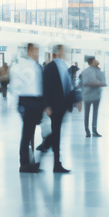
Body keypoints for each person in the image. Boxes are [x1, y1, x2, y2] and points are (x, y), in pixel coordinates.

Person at [37, 45, 78, 173]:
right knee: (56, 133)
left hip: (62, 105)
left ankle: (48, 150)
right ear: (58, 52)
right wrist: (46, 105)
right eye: (64, 50)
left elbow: (67, 85)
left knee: (56, 133)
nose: (66, 52)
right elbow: (45, 87)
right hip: (54, 106)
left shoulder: (64, 66)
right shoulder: (50, 67)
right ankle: (55, 162)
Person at [11, 44, 44, 173]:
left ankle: (29, 162)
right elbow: (16, 86)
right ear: (29, 51)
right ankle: (24, 164)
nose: (37, 53)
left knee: (30, 133)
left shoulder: (36, 66)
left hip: (35, 102)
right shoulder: (22, 66)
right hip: (27, 101)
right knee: (27, 134)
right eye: (35, 51)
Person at [79, 57, 106, 137]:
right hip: (88, 95)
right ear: (91, 62)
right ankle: (88, 130)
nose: (97, 61)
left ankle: (93, 130)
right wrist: (97, 83)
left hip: (96, 95)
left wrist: (96, 83)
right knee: (87, 113)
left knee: (94, 113)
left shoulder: (100, 71)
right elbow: (87, 82)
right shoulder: (86, 71)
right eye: (95, 61)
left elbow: (104, 82)